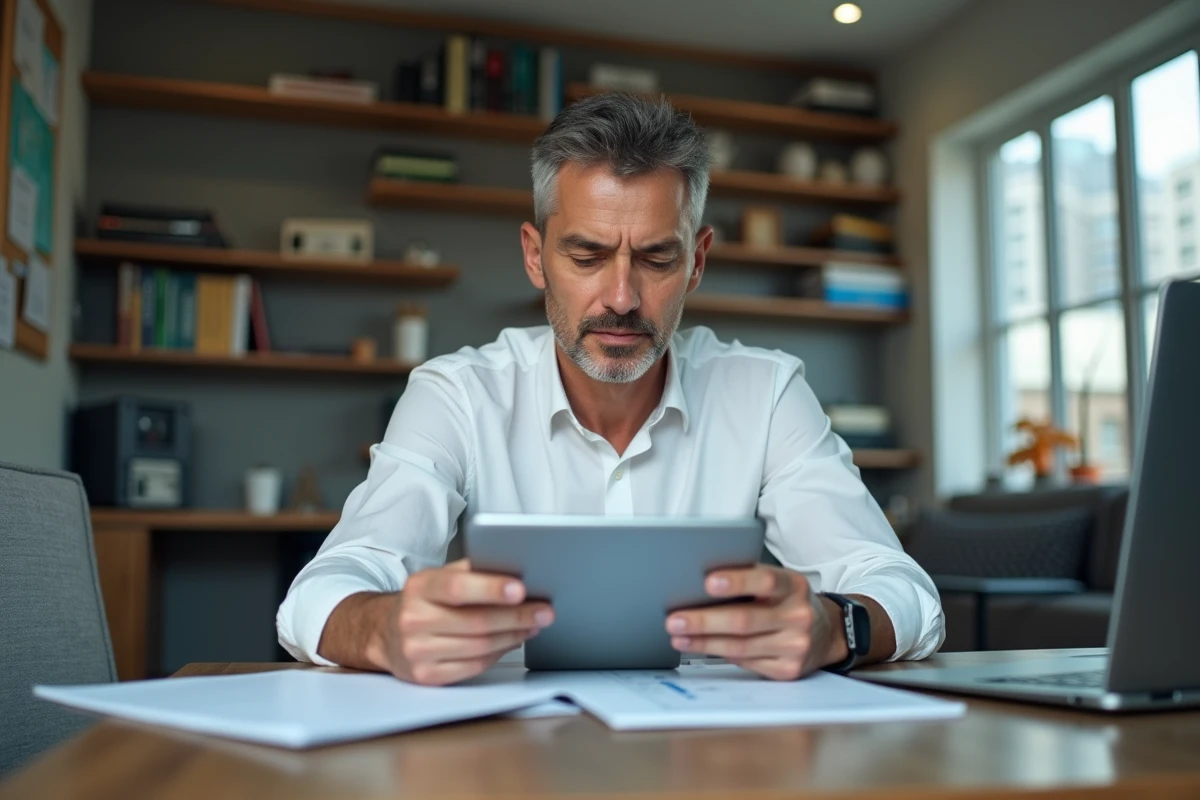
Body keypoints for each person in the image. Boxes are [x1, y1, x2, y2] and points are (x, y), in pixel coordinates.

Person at [277, 92, 944, 686]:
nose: (621, 299)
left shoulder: (766, 392)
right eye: (587, 256)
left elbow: (902, 590)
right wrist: (382, 628)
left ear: (698, 260)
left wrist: (836, 627)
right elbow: (322, 593)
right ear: (536, 256)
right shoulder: (456, 393)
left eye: (656, 258)